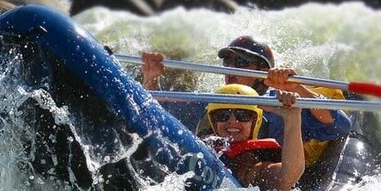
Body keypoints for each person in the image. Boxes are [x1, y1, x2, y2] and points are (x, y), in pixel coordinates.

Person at [141, 36, 351, 167]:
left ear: (262, 71)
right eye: (228, 61)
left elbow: (339, 126)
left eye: (241, 62)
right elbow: (156, 115)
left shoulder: (280, 104)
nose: (231, 67)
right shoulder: (214, 102)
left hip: (266, 182)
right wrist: (151, 78)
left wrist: (297, 88)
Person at [205, 84, 304, 191]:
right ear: (214, 121)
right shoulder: (204, 145)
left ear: (254, 122)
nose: (232, 121)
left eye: (243, 115)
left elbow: (287, 178)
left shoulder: (253, 162)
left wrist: (292, 118)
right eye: (222, 115)